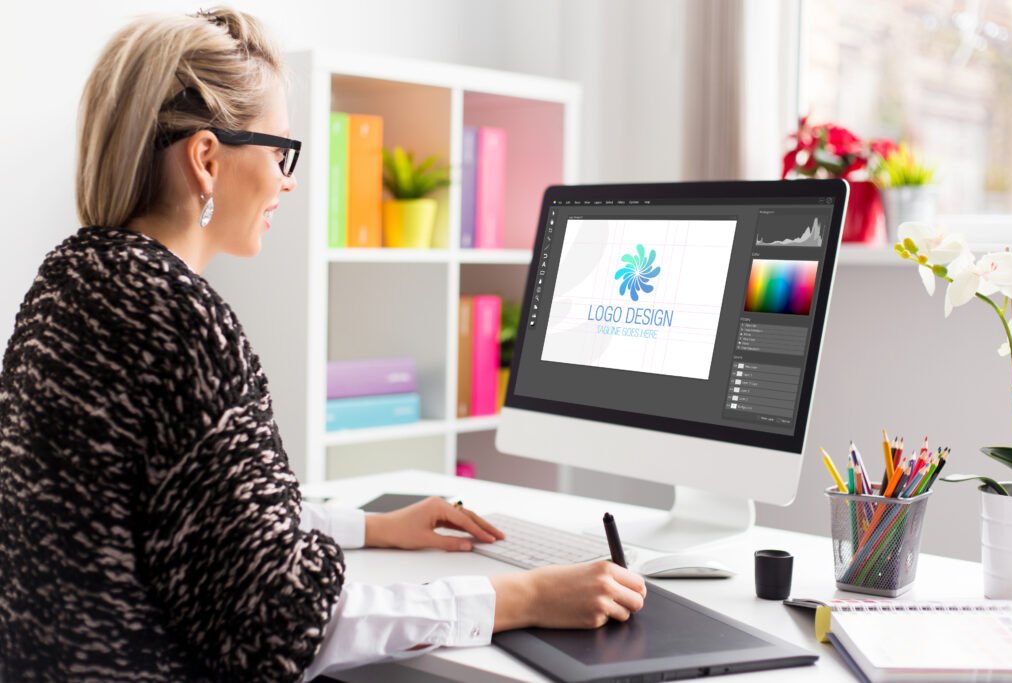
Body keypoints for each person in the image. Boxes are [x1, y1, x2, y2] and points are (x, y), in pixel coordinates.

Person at [0, 7, 646, 681]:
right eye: (281, 152)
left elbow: (197, 512)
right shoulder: (183, 321)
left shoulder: (70, 280)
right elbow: (285, 623)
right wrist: (520, 595)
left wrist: (371, 527)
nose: (289, 180)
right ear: (206, 157)